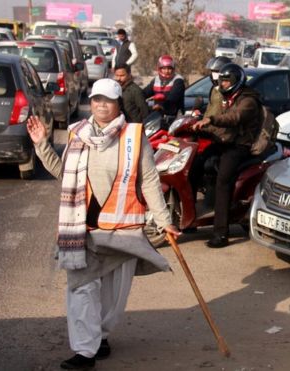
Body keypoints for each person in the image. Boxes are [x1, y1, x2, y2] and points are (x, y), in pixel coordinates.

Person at [25, 78, 181, 370]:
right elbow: (63, 173)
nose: (100, 105)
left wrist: (164, 221)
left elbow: (148, 180)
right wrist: (42, 145)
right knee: (81, 289)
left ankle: (101, 335)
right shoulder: (78, 134)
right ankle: (85, 351)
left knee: (112, 297)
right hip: (83, 231)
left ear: (118, 103)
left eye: (107, 100)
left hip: (122, 232)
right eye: (96, 99)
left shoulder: (134, 137)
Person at [192, 63, 263, 248]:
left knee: (223, 181)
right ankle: (190, 220)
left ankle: (221, 233)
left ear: (236, 81)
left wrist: (212, 119)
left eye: (226, 81)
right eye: (221, 81)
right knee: (195, 165)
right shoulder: (228, 97)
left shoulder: (248, 101)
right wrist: (199, 125)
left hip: (240, 146)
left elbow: (233, 118)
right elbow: (218, 124)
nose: (223, 84)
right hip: (224, 142)